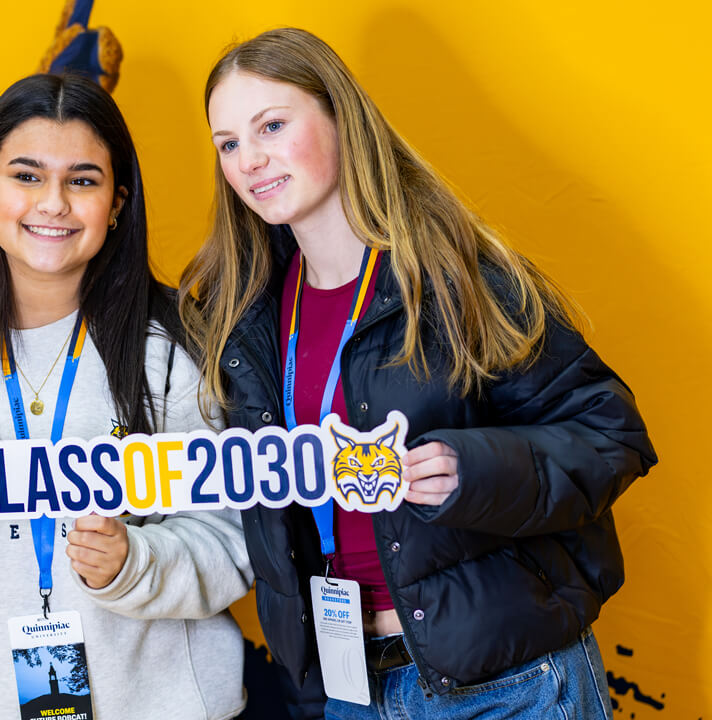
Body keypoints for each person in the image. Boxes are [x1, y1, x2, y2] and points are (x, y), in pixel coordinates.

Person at [178, 28, 657, 720]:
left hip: (508, 684)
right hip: (351, 691)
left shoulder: (458, 278)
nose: (250, 160)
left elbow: (612, 433)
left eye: (273, 126)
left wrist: (472, 469)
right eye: (228, 143)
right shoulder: (241, 322)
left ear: (341, 118)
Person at [0, 73, 252, 720]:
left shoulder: (172, 349)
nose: (53, 203)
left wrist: (131, 563)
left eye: (82, 180)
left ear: (116, 202)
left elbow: (232, 542)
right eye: (26, 176)